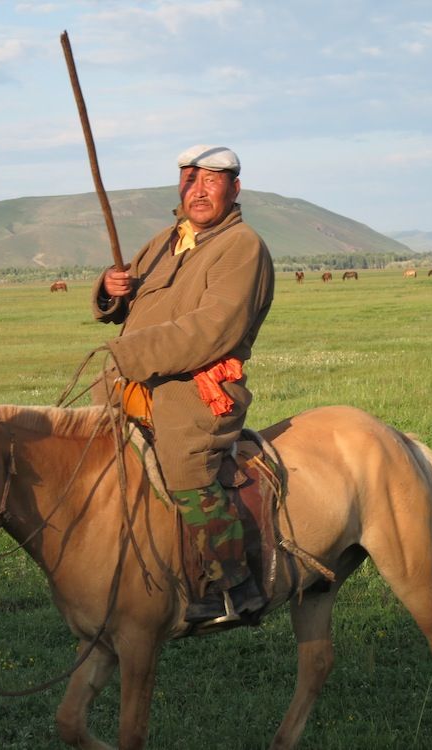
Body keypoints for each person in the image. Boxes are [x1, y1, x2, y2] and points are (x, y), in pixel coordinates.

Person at [91, 144, 275, 624]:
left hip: (199, 386)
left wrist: (133, 354)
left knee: (182, 460)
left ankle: (233, 584)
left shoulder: (242, 246)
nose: (199, 190)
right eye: (191, 180)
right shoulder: (165, 241)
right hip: (138, 379)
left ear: (234, 189)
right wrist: (110, 291)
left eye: (212, 181)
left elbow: (215, 328)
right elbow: (130, 301)